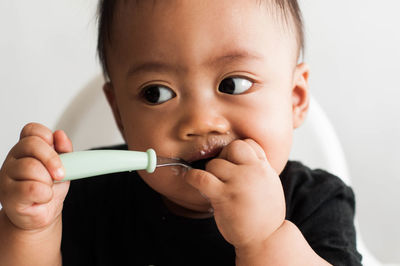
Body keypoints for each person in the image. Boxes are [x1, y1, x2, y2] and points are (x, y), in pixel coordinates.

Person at [0, 0, 363, 265]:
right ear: (120, 114)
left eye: (234, 83)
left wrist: (265, 240)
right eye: (156, 93)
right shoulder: (88, 201)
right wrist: (30, 230)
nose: (200, 121)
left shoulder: (315, 202)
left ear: (295, 98)